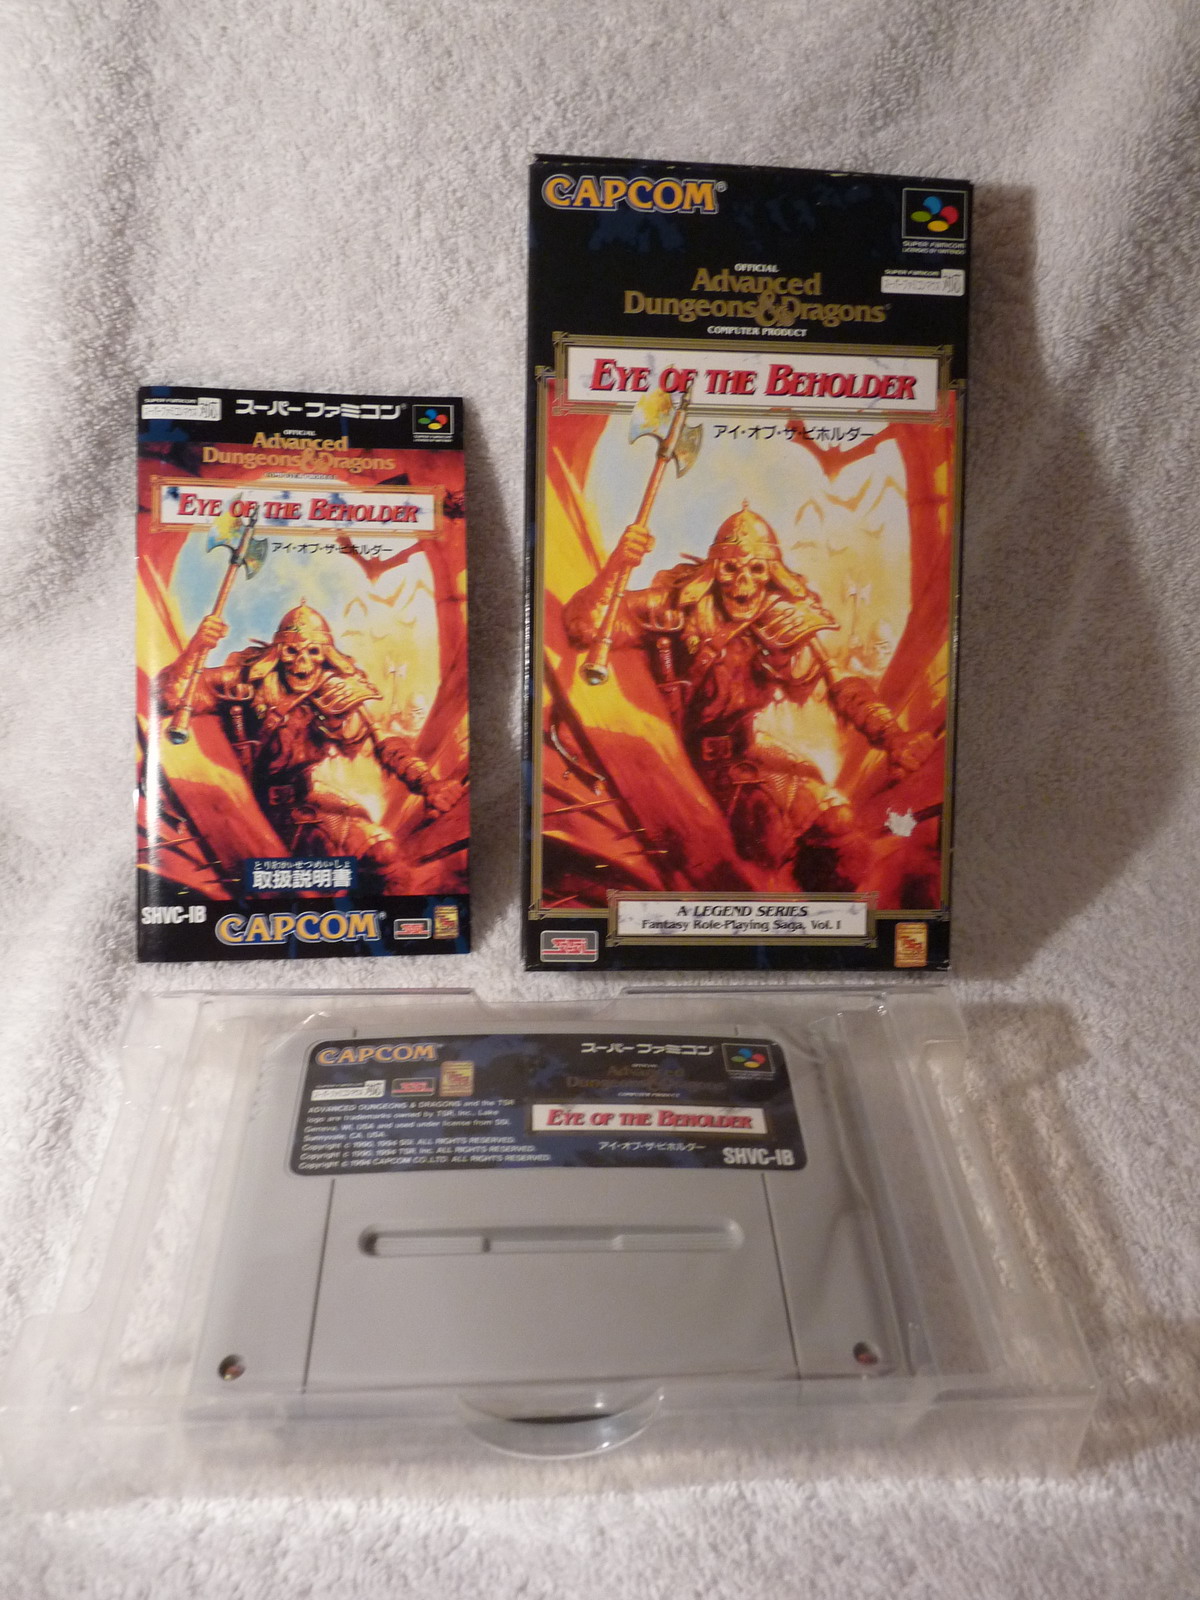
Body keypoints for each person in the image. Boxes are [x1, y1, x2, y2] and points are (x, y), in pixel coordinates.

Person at [563, 506, 932, 890]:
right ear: (714, 569)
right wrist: (616, 566)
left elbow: (838, 683)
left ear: (771, 572)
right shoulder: (673, 607)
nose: (742, 584)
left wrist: (892, 736)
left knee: (839, 828)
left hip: (747, 750)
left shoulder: (781, 617)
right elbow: (584, 626)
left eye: (756, 570)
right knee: (763, 845)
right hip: (678, 760)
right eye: (730, 569)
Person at [157, 601, 460, 891]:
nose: (302, 664)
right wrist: (196, 648)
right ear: (279, 651)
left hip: (304, 800)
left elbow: (383, 742)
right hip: (239, 802)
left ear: (324, 654)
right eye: (292, 651)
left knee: (383, 855)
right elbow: (169, 697)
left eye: (312, 651)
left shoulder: (336, 688)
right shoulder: (244, 680)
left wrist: (427, 784)